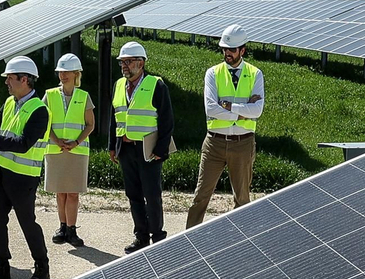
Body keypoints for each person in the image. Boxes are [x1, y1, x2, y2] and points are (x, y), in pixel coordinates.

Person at [0, 56, 52, 279]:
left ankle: (42, 266)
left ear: (24, 79)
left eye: (10, 78)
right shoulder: (10, 102)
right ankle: (1, 265)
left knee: (27, 222)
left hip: (24, 177)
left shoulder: (40, 110)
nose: (7, 82)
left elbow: (24, 142)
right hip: (3, 172)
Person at [187, 24, 264, 228]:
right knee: (201, 196)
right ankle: (188, 239)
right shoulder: (213, 73)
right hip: (214, 143)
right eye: (224, 49)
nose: (227, 53)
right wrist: (242, 110)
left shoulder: (256, 74)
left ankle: (240, 239)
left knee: (242, 199)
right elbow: (211, 109)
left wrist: (228, 105)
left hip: (243, 144)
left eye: (231, 49)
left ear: (242, 50)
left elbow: (257, 111)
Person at [108, 41, 174, 253]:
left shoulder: (156, 85)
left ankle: (158, 236)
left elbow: (167, 120)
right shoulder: (119, 85)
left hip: (148, 150)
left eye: (128, 62)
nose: (124, 66)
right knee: (133, 194)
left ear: (141, 63)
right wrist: (112, 145)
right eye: (122, 62)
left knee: (152, 194)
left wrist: (161, 150)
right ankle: (141, 236)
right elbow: (114, 117)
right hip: (126, 149)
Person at [43, 52, 95, 247]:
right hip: (55, 150)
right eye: (60, 72)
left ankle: (72, 230)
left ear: (76, 74)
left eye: (67, 72)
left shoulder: (84, 96)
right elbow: (43, 122)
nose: (63, 75)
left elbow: (90, 125)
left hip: (77, 152)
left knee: (72, 193)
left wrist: (76, 142)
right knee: (60, 192)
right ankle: (62, 226)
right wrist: (56, 141)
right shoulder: (49, 95)